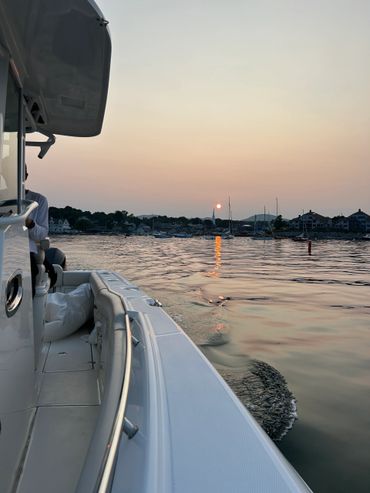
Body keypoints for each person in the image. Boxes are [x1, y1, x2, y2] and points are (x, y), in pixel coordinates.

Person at [25, 165, 49, 296]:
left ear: (25, 176)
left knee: (30, 271)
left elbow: (41, 235)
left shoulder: (39, 200)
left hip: (25, 253)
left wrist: (30, 223)